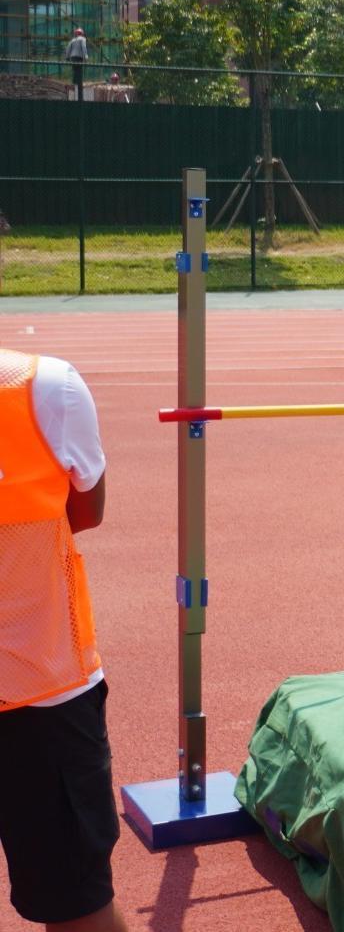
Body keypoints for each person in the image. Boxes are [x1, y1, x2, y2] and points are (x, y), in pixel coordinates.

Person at [0, 349, 127, 931]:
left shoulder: (41, 387)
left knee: (77, 904)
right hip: (41, 684)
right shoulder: (47, 387)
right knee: (76, 905)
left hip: (41, 693)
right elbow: (85, 512)